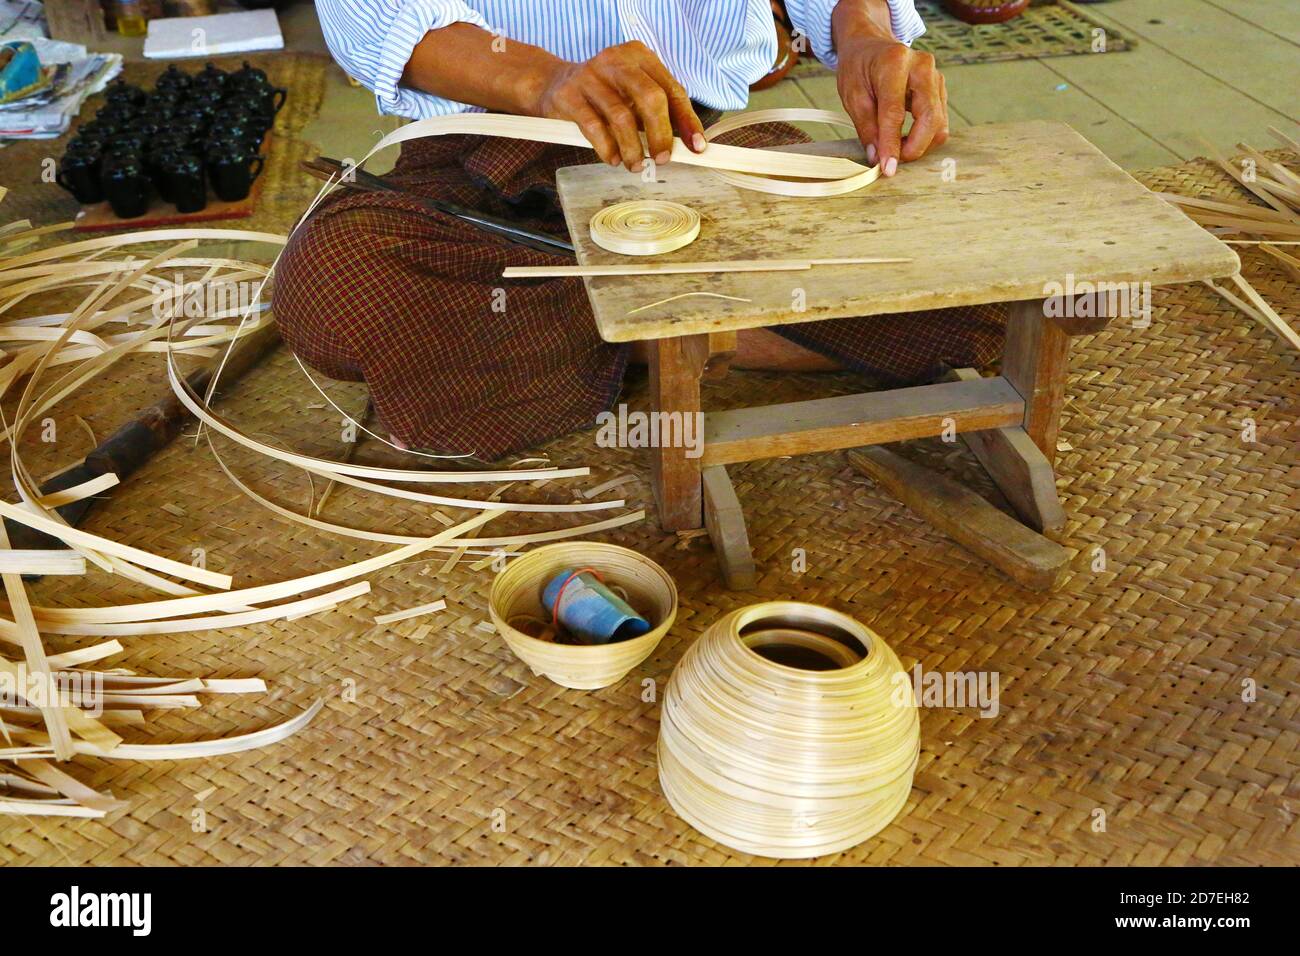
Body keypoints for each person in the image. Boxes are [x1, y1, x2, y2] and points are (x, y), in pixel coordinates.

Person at [274, 1, 1004, 460]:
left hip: (699, 143)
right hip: (489, 140)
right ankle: (716, 327)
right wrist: (546, 81)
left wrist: (863, 33)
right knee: (336, 286)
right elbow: (374, 15)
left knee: (989, 274)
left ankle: (642, 331)